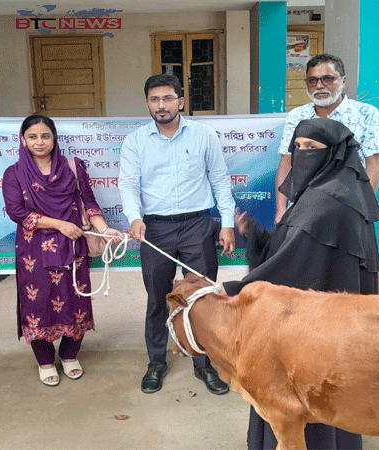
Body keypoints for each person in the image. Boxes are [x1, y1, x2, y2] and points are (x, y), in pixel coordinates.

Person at [222, 117, 379, 450]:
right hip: (321, 327)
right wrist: (255, 236)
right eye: (297, 147)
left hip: (314, 336)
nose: (302, 153)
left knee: (308, 402)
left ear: (335, 153)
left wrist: (234, 291)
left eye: (312, 147)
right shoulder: (326, 190)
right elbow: (292, 247)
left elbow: (291, 266)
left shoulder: (330, 202)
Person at [119, 74, 236, 395]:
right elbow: (128, 184)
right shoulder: (135, 142)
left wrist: (226, 222)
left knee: (201, 296)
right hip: (155, 228)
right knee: (158, 298)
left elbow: (220, 179)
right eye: (155, 99)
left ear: (181, 101)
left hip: (198, 225)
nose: (162, 105)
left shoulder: (203, 135)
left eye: (168, 98)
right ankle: (156, 362)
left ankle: (204, 363)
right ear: (147, 104)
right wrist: (134, 217)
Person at [2, 114, 124, 386]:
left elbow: (89, 203)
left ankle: (70, 355)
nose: (39, 142)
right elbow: (17, 212)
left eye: (45, 136)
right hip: (34, 250)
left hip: (73, 246)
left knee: (75, 299)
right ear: (23, 140)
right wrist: (60, 225)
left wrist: (104, 230)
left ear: (54, 138)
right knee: (39, 302)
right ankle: (45, 361)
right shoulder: (14, 173)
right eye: (32, 137)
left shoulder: (73, 167)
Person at [273, 53, 379, 223]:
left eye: (327, 79)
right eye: (312, 80)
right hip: (301, 207)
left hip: (347, 208)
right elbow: (286, 163)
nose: (319, 86)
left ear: (343, 81)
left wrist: (361, 209)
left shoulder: (366, 114)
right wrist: (281, 209)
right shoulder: (297, 116)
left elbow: (374, 165)